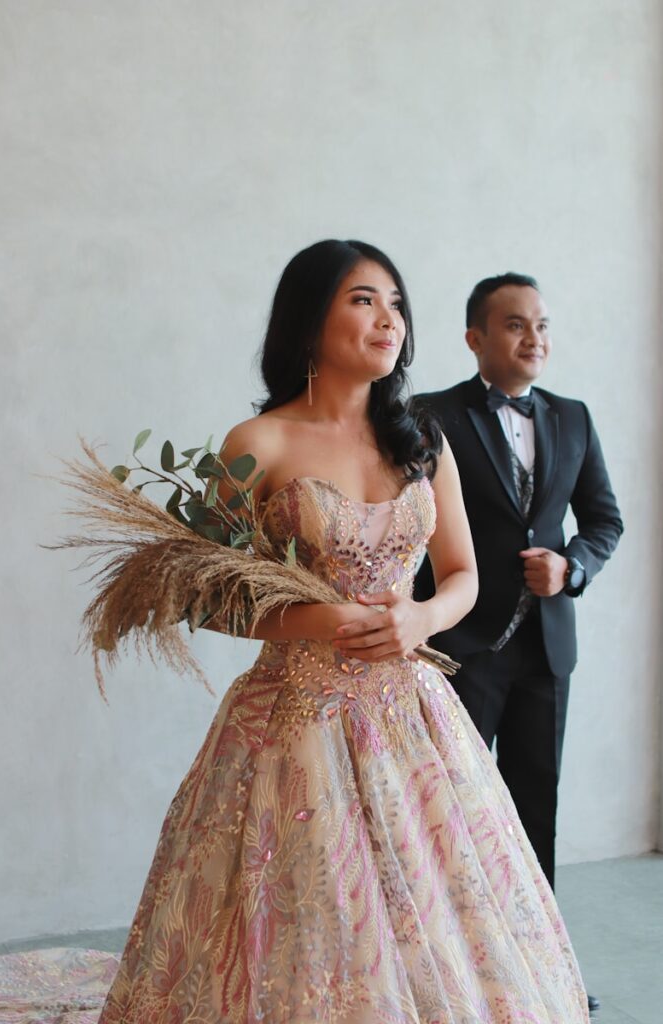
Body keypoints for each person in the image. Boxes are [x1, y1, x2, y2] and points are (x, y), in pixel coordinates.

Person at [100, 244, 589, 1023]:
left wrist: (421, 616)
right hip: (295, 719)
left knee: (435, 910)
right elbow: (206, 594)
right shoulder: (256, 443)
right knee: (308, 910)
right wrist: (316, 620)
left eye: (395, 302)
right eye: (363, 299)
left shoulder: (422, 440)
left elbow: (462, 573)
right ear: (307, 318)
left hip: (412, 712)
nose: (388, 318)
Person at [413, 273, 623, 1012]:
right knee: (455, 814)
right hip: (460, 647)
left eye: (540, 324)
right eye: (512, 325)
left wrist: (571, 569)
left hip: (545, 652)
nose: (532, 338)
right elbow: (406, 519)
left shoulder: (572, 417)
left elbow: (603, 520)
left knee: (536, 806)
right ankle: (455, 978)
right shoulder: (429, 415)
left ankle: (544, 972)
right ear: (474, 338)